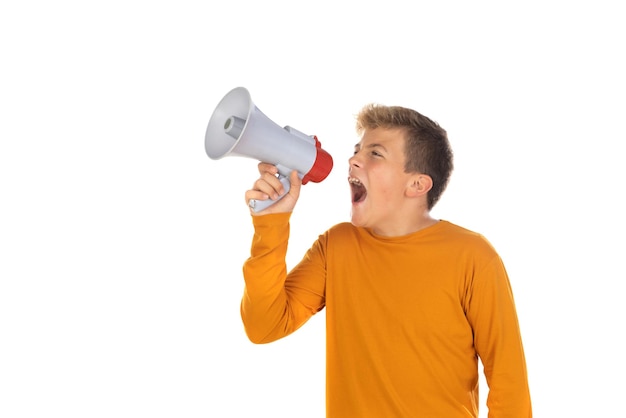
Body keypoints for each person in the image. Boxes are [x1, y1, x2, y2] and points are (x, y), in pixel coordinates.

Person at [241, 103, 532, 417]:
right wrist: (271, 225)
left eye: (375, 154)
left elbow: (508, 385)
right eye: (357, 150)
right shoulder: (336, 246)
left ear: (417, 185)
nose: (353, 159)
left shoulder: (473, 257)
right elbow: (264, 325)